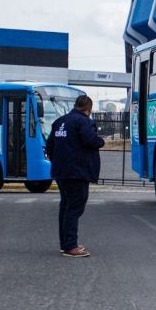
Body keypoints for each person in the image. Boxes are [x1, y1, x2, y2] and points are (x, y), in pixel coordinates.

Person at [46, 95, 105, 258]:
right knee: (74, 207)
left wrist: (57, 161)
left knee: (65, 206)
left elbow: (49, 146)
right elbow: (90, 140)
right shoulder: (83, 121)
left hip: (60, 171)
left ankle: (65, 244)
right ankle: (71, 246)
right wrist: (101, 141)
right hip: (77, 172)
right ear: (88, 109)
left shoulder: (59, 122)